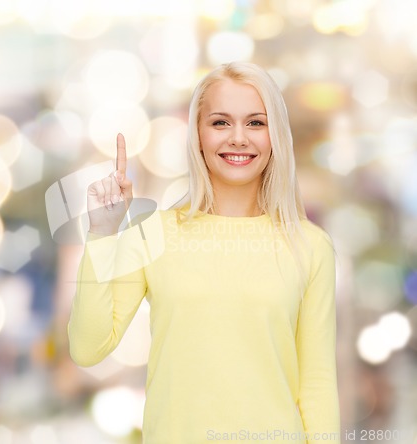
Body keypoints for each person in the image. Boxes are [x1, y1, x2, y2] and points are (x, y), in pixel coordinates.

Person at [68, 62, 340, 444]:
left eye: (256, 123)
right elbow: (87, 347)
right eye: (220, 123)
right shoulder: (152, 233)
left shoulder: (310, 245)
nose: (239, 138)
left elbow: (317, 384)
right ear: (197, 135)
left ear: (276, 135)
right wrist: (102, 233)